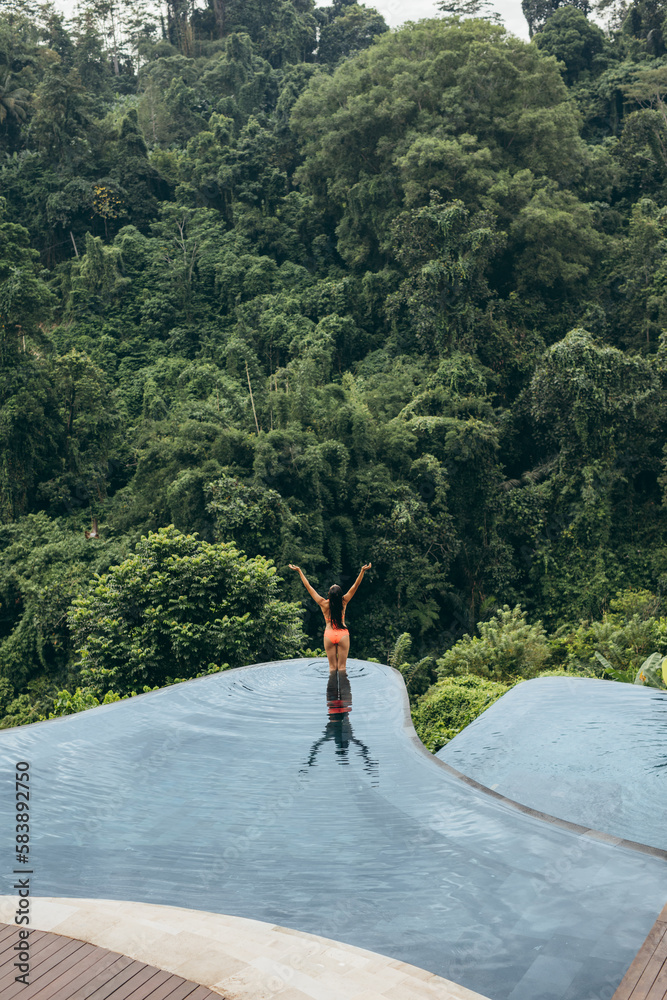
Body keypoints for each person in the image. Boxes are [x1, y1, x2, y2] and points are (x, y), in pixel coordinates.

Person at [288, 562, 371, 674]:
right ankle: (344, 691)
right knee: (342, 668)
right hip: (343, 635)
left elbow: (309, 587)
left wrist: (299, 571)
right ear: (341, 594)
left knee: (332, 668)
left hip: (329, 635)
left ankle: (331, 691)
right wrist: (362, 571)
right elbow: (355, 586)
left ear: (329, 595)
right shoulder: (344, 601)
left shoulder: (323, 603)